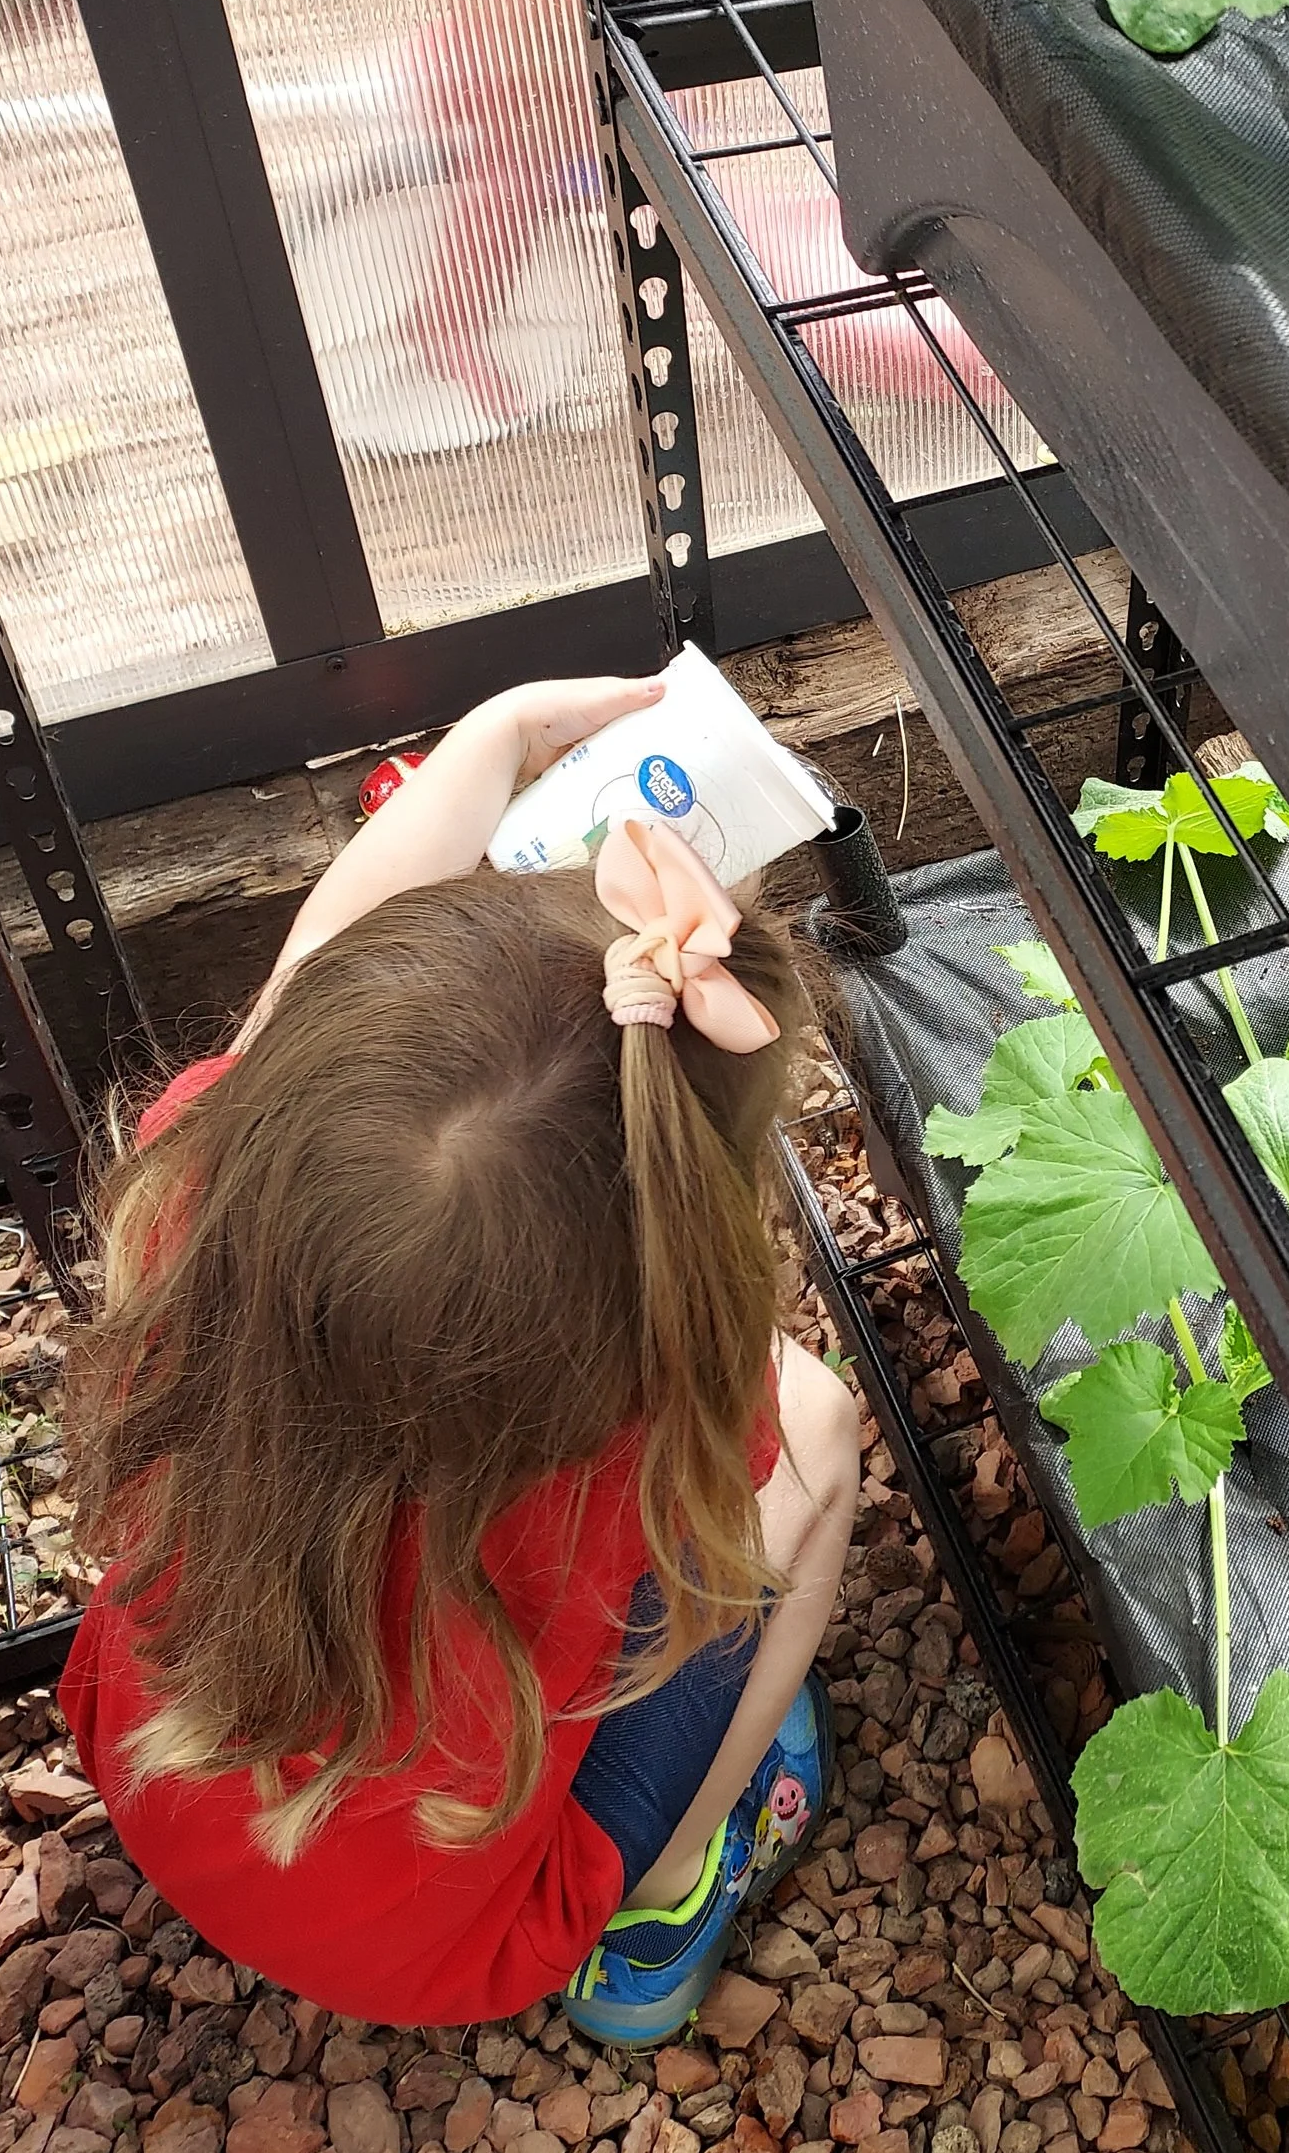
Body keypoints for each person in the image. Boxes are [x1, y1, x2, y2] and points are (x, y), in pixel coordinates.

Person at [59, 675, 860, 2046]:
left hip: (157, 1779)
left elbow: (320, 959)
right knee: (824, 1434)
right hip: (451, 1951)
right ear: (657, 1283)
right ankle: (663, 1898)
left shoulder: (192, 1202)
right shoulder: (655, 1444)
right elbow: (764, 1430)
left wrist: (488, 745)